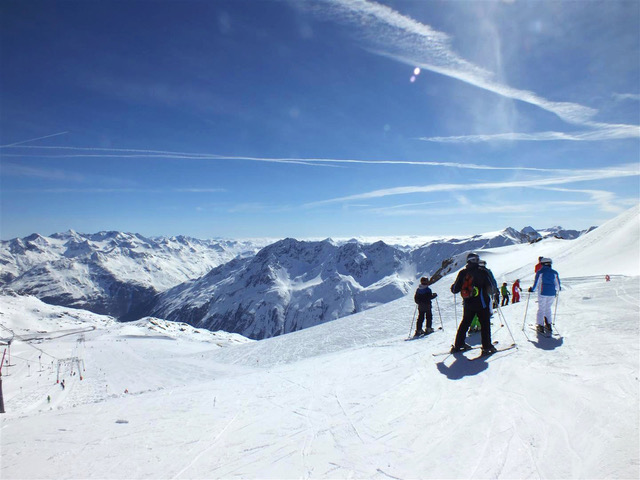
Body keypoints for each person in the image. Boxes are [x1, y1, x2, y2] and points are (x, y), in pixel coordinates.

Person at [450, 253, 497, 355]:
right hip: (482, 304)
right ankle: (487, 347)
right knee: (485, 325)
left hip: (468, 304)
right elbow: (491, 288)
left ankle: (459, 344)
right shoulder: (483, 272)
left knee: (465, 324)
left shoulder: (463, 273)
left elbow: (455, 289)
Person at [528, 257, 561, 333]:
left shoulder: (540, 272)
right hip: (552, 293)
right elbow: (558, 285)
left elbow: (536, 283)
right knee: (548, 308)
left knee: (541, 309)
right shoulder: (554, 272)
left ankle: (540, 325)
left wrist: (532, 289)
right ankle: (549, 324)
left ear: (542, 264)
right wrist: (556, 290)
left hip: (542, 292)